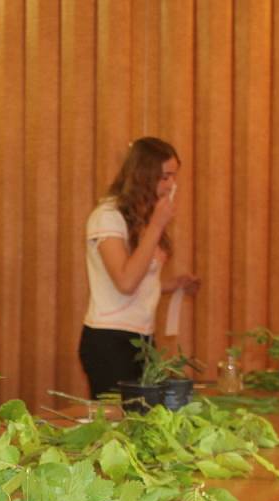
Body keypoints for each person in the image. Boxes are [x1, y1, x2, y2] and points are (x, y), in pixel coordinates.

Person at [78, 137, 200, 399]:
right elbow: (125, 281)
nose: (171, 185)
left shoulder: (141, 218)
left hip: (142, 339)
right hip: (110, 339)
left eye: (174, 177)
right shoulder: (107, 216)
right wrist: (156, 225)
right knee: (119, 425)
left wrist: (172, 284)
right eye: (165, 177)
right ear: (145, 175)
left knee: (146, 422)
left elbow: (140, 280)